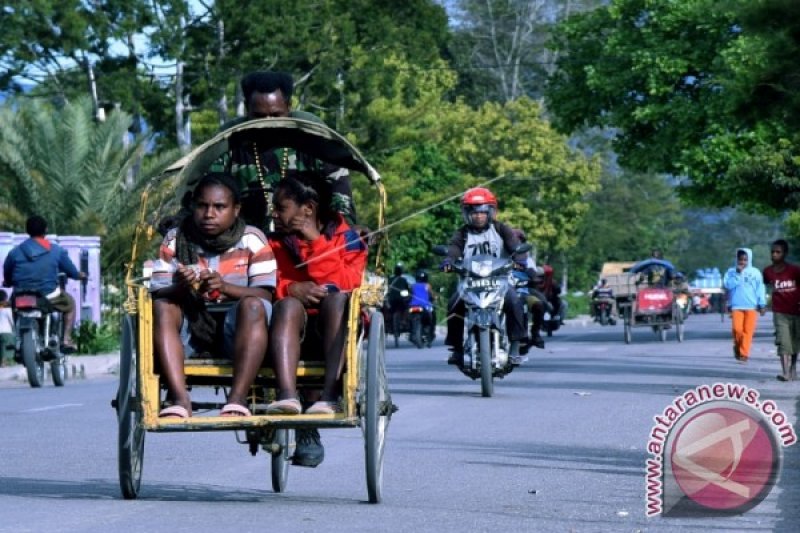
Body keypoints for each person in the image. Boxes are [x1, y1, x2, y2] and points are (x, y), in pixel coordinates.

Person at [149, 173, 276, 419]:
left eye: (219, 207)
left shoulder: (252, 239)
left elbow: (265, 293)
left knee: (253, 306)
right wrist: (182, 286)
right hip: (190, 328)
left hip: (238, 330)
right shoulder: (176, 238)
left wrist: (225, 286)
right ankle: (179, 397)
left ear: (235, 209)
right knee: (163, 305)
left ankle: (237, 399)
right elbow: (159, 288)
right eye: (202, 206)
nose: (209, 214)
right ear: (193, 206)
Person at [264, 171, 367, 468]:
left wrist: (315, 242)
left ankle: (329, 395)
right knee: (286, 304)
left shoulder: (348, 238)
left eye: (281, 208)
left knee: (336, 300)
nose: (274, 214)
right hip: (287, 329)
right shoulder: (273, 242)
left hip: (334, 331)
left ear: (307, 209)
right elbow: (263, 280)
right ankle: (287, 397)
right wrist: (290, 288)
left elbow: (348, 283)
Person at [213, 71, 357, 230]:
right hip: (246, 243)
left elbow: (340, 195)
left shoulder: (313, 141)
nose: (268, 123)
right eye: (259, 116)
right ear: (248, 109)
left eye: (276, 115)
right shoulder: (230, 144)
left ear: (288, 108)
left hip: (307, 241)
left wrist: (345, 230)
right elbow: (207, 194)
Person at [443, 187, 529, 365]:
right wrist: (448, 262)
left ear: (491, 212)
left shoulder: (501, 229)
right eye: (473, 212)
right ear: (466, 214)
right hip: (470, 282)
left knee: (514, 302)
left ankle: (514, 347)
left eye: (482, 212)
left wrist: (520, 259)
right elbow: (453, 250)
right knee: (454, 303)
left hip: (500, 280)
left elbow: (515, 247)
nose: (478, 216)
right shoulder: (462, 233)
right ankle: (457, 349)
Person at [2, 215, 85, 351]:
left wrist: (8, 282)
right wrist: (79, 275)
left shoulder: (14, 252)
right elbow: (72, 272)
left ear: (27, 230)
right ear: (45, 230)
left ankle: (18, 339)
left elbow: (7, 273)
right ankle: (66, 340)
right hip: (48, 295)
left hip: (22, 295)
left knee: (14, 304)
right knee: (70, 304)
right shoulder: (57, 251)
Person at [762, 239, 800, 381]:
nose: (774, 254)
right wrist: (763, 304)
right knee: (783, 341)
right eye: (772, 252)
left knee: (795, 341)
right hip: (779, 312)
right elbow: (763, 286)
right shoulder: (767, 271)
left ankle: (793, 369)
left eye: (778, 252)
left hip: (796, 310)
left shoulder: (795, 270)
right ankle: (785, 372)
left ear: (785, 253)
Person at [723, 248, 767, 363]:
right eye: (740, 259)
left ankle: (744, 354)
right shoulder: (731, 272)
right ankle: (737, 347)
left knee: (748, 331)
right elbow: (728, 285)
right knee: (737, 330)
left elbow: (760, 289)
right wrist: (738, 274)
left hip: (751, 306)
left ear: (749, 260)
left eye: (745, 259)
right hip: (736, 306)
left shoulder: (755, 272)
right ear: (736, 259)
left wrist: (762, 304)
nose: (742, 262)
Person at [409, 270, 436, 346]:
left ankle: (412, 334)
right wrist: (434, 297)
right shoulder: (427, 286)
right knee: (432, 318)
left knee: (409, 320)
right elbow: (432, 295)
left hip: (413, 307)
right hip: (425, 307)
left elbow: (409, 295)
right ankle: (430, 333)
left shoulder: (413, 286)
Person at [386, 263, 411, 338]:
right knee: (406, 307)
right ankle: (403, 320)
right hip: (400, 300)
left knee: (389, 309)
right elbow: (408, 289)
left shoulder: (390, 279)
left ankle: (389, 320)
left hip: (391, 300)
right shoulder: (403, 280)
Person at [0, 290, 14, 366]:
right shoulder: (7, 309)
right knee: (6, 348)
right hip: (6, 331)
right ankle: (4, 362)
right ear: (5, 299)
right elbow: (12, 321)